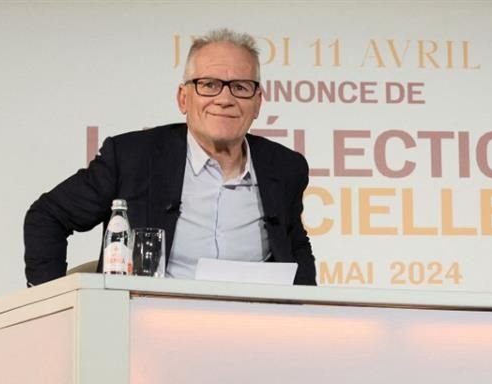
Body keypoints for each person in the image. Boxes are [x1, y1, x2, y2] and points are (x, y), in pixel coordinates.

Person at [24, 29, 315, 286]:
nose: (225, 99)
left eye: (240, 87)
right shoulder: (132, 158)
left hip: (253, 322)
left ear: (258, 102)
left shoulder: (285, 168)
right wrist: (52, 306)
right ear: (183, 98)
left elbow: (296, 250)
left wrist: (309, 316)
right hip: (149, 320)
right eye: (209, 85)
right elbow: (47, 217)